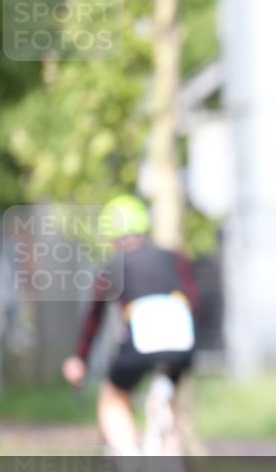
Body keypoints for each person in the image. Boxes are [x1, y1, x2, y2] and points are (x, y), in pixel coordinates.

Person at [62, 195, 200, 456]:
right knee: (169, 404)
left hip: (141, 342)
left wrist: (80, 359)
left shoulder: (112, 266)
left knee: (113, 398)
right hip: (182, 343)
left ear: (111, 236)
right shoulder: (174, 257)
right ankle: (168, 468)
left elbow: (94, 319)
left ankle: (129, 457)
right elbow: (194, 300)